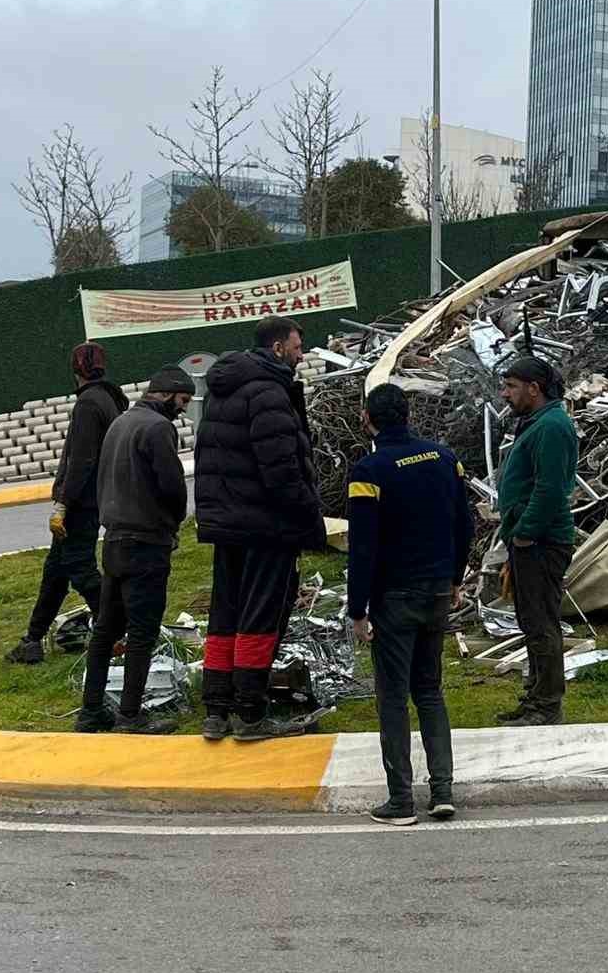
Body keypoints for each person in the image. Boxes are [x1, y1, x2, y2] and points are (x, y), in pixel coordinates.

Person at [195, 316, 326, 742]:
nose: (300, 354)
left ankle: (216, 709)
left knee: (225, 613)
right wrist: (309, 518)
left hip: (228, 523)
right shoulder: (268, 392)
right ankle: (251, 713)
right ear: (276, 349)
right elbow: (282, 469)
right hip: (266, 525)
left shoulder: (222, 391)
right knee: (260, 615)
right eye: (296, 346)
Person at [347, 382, 474, 825]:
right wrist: (455, 577)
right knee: (430, 691)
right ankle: (442, 792)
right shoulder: (445, 459)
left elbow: (363, 546)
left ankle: (401, 800)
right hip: (438, 589)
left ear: (368, 419)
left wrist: (357, 610)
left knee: (393, 698)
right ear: (408, 415)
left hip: (394, 597)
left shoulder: (369, 470)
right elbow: (465, 523)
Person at [76, 367, 195, 734]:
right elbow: (173, 489)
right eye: (183, 401)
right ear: (169, 394)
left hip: (113, 541)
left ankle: (90, 711)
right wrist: (173, 524)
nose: (183, 409)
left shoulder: (121, 423)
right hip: (146, 542)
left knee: (106, 630)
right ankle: (130, 715)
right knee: (142, 631)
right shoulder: (158, 429)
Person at [6, 342, 127, 664]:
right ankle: (32, 640)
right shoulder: (110, 400)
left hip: (82, 503)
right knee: (56, 572)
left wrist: (63, 503)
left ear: (75, 370)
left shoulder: (89, 404)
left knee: (79, 568)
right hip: (96, 498)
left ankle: (121, 629)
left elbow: (82, 460)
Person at [494, 355, 578, 727]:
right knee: (531, 621)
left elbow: (551, 489)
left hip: (542, 542)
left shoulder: (553, 426)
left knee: (542, 623)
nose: (505, 394)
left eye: (511, 387)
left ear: (534, 388)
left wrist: (526, 532)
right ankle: (535, 697)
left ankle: (547, 705)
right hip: (528, 540)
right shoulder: (537, 423)